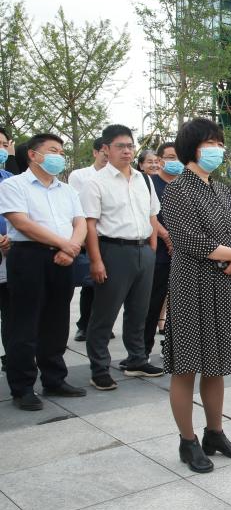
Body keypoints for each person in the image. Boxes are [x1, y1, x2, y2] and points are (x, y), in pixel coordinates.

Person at [162, 118, 231, 473]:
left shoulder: (220, 188)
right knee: (186, 366)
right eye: (210, 143)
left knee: (216, 363)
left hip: (225, 282)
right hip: (192, 285)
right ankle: (188, 442)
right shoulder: (178, 189)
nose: (217, 149)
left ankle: (214, 433)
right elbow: (189, 240)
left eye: (219, 142)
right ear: (192, 148)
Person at [0, 133, 88, 410]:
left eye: (61, 151)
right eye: (52, 151)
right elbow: (21, 223)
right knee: (24, 323)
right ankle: (22, 387)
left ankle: (54, 378)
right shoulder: (14, 185)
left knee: (57, 320)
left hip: (63, 258)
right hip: (28, 257)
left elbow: (80, 222)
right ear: (33, 155)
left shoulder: (67, 190)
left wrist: (71, 248)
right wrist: (65, 244)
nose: (58, 156)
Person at [80, 125, 163, 390]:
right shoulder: (95, 182)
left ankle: (137, 359)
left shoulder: (144, 180)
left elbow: (152, 214)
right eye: (120, 146)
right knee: (104, 313)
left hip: (143, 252)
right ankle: (99, 368)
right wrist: (96, 260)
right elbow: (90, 224)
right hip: (113, 251)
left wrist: (151, 246)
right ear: (105, 149)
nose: (127, 151)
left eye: (130, 146)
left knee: (139, 311)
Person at [140, 142, 182, 363]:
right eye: (171, 157)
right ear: (160, 160)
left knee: (180, 305)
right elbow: (149, 215)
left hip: (184, 253)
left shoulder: (186, 185)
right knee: (152, 303)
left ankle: (174, 348)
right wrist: (167, 236)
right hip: (159, 253)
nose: (176, 162)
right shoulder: (148, 183)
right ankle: (142, 351)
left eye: (179, 157)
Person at [69, 137, 108, 342]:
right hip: (88, 234)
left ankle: (103, 324)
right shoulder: (80, 175)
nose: (107, 157)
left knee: (109, 285)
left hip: (110, 236)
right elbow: (78, 207)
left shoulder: (120, 176)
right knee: (90, 283)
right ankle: (84, 325)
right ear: (95, 152)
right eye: (103, 153)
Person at [0, 135, 14, 374]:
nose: (2, 149)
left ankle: (13, 360)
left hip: (9, 256)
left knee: (12, 315)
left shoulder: (11, 180)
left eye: (4, 145)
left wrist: (12, 236)